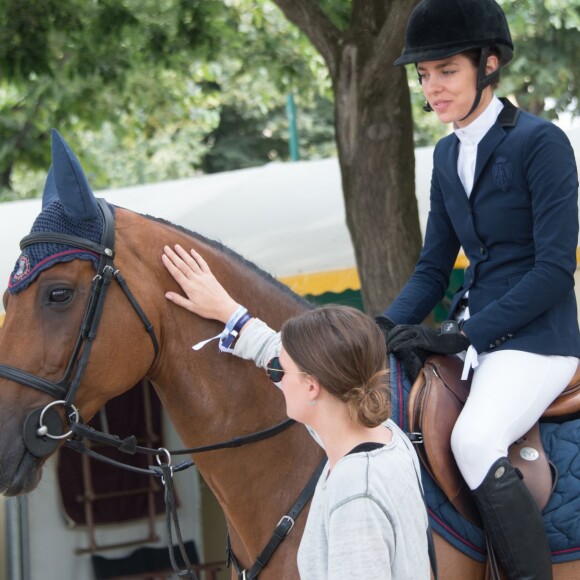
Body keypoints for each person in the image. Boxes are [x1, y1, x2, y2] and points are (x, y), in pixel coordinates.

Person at [375, 0, 580, 578]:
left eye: (446, 71)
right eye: (423, 76)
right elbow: (433, 269)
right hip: (473, 339)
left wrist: (464, 333)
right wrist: (382, 328)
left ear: (488, 64)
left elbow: (553, 270)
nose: (431, 88)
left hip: (539, 340)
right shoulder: (445, 155)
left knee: (473, 439)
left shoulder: (542, 144)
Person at [162, 244, 431, 579]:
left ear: (312, 386)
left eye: (282, 372)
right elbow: (277, 352)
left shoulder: (355, 493)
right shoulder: (385, 435)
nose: (276, 377)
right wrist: (229, 312)